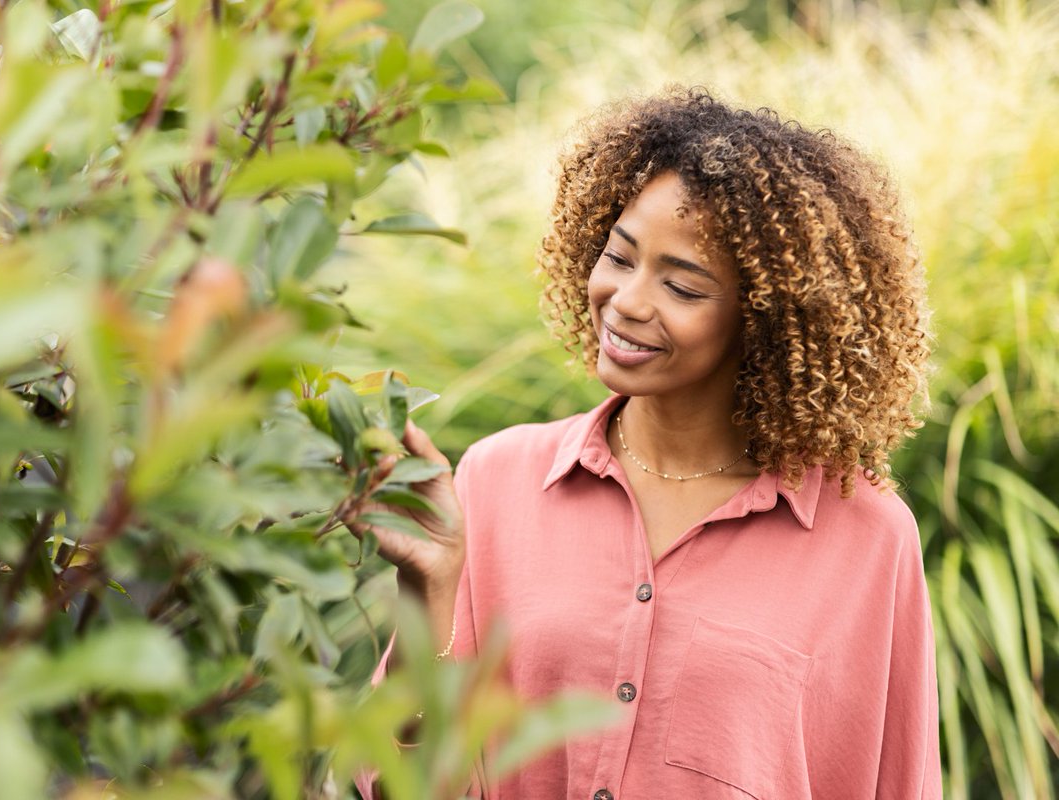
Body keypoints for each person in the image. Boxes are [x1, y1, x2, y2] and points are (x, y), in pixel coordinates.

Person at [354, 86, 941, 799]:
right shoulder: (496, 480)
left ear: (765, 320)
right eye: (620, 257)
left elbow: (894, 783)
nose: (628, 301)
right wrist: (429, 588)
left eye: (684, 288)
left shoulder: (867, 538)